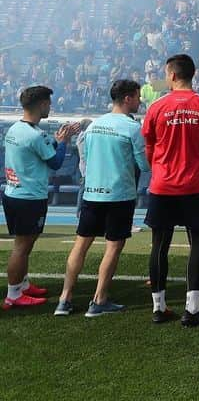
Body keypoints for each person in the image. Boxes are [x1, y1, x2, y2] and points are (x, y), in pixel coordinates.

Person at [141, 54, 199, 326]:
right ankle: (192, 309)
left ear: (170, 75)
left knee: (159, 246)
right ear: (193, 75)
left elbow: (148, 148)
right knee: (198, 244)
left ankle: (159, 307)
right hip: (194, 187)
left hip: (162, 186)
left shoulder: (156, 107)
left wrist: (158, 169)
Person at [55, 80, 147, 317]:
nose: (139, 101)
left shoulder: (94, 126)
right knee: (113, 246)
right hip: (119, 194)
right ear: (127, 98)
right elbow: (144, 165)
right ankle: (99, 299)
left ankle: (64, 299)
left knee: (81, 244)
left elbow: (84, 159)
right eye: (137, 97)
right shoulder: (131, 128)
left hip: (92, 193)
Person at [3, 86, 79, 309]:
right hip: (29, 197)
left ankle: (22, 285)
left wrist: (55, 141)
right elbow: (55, 162)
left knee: (24, 244)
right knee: (22, 247)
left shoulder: (16, 129)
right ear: (42, 104)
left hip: (13, 193)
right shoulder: (35, 135)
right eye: (49, 103)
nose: (50, 107)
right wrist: (64, 141)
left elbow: (38, 152)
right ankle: (14, 294)